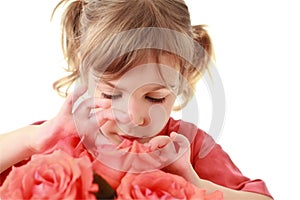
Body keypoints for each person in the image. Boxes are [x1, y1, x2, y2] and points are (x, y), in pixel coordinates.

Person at [0, 0, 273, 199]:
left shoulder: (186, 147)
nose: (133, 117)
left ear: (181, 79)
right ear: (85, 75)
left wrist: (193, 182)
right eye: (110, 94)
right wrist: (33, 140)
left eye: (154, 98)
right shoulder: (62, 137)